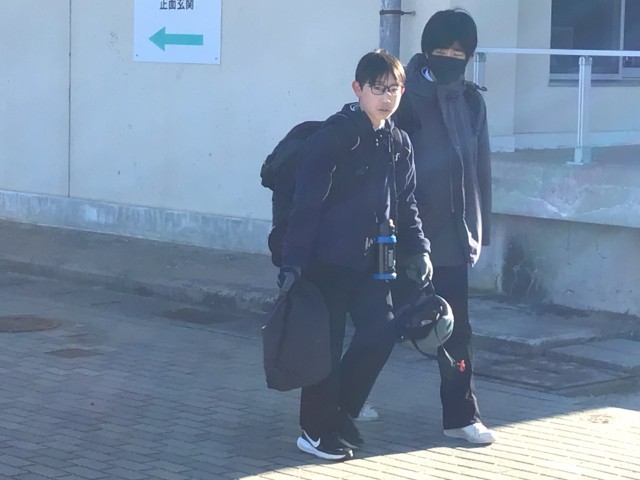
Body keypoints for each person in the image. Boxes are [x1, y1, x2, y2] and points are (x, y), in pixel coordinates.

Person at [277, 49, 432, 461]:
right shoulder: (334, 139)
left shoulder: (398, 143)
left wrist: (420, 250)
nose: (386, 97)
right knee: (324, 350)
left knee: (381, 332)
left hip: (373, 263)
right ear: (357, 89)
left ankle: (339, 413)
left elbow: (407, 205)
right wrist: (292, 263)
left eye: (394, 88)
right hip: (325, 262)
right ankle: (314, 432)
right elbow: (306, 206)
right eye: (377, 88)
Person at [393, 9, 496, 445]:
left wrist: (480, 230)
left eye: (459, 53)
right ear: (426, 51)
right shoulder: (403, 97)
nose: (450, 59)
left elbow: (480, 170)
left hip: (452, 239)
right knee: (379, 325)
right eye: (442, 50)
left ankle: (460, 415)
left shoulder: (471, 102)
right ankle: (345, 404)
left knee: (455, 330)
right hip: (403, 237)